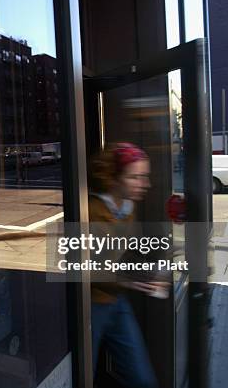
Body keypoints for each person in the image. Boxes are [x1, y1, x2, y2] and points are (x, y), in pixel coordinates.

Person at [88, 142, 162, 388]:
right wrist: (127, 279)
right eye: (136, 177)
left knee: (142, 379)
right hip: (90, 305)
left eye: (145, 177)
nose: (145, 184)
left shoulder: (128, 207)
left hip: (115, 300)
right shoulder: (91, 211)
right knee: (84, 373)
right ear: (114, 179)